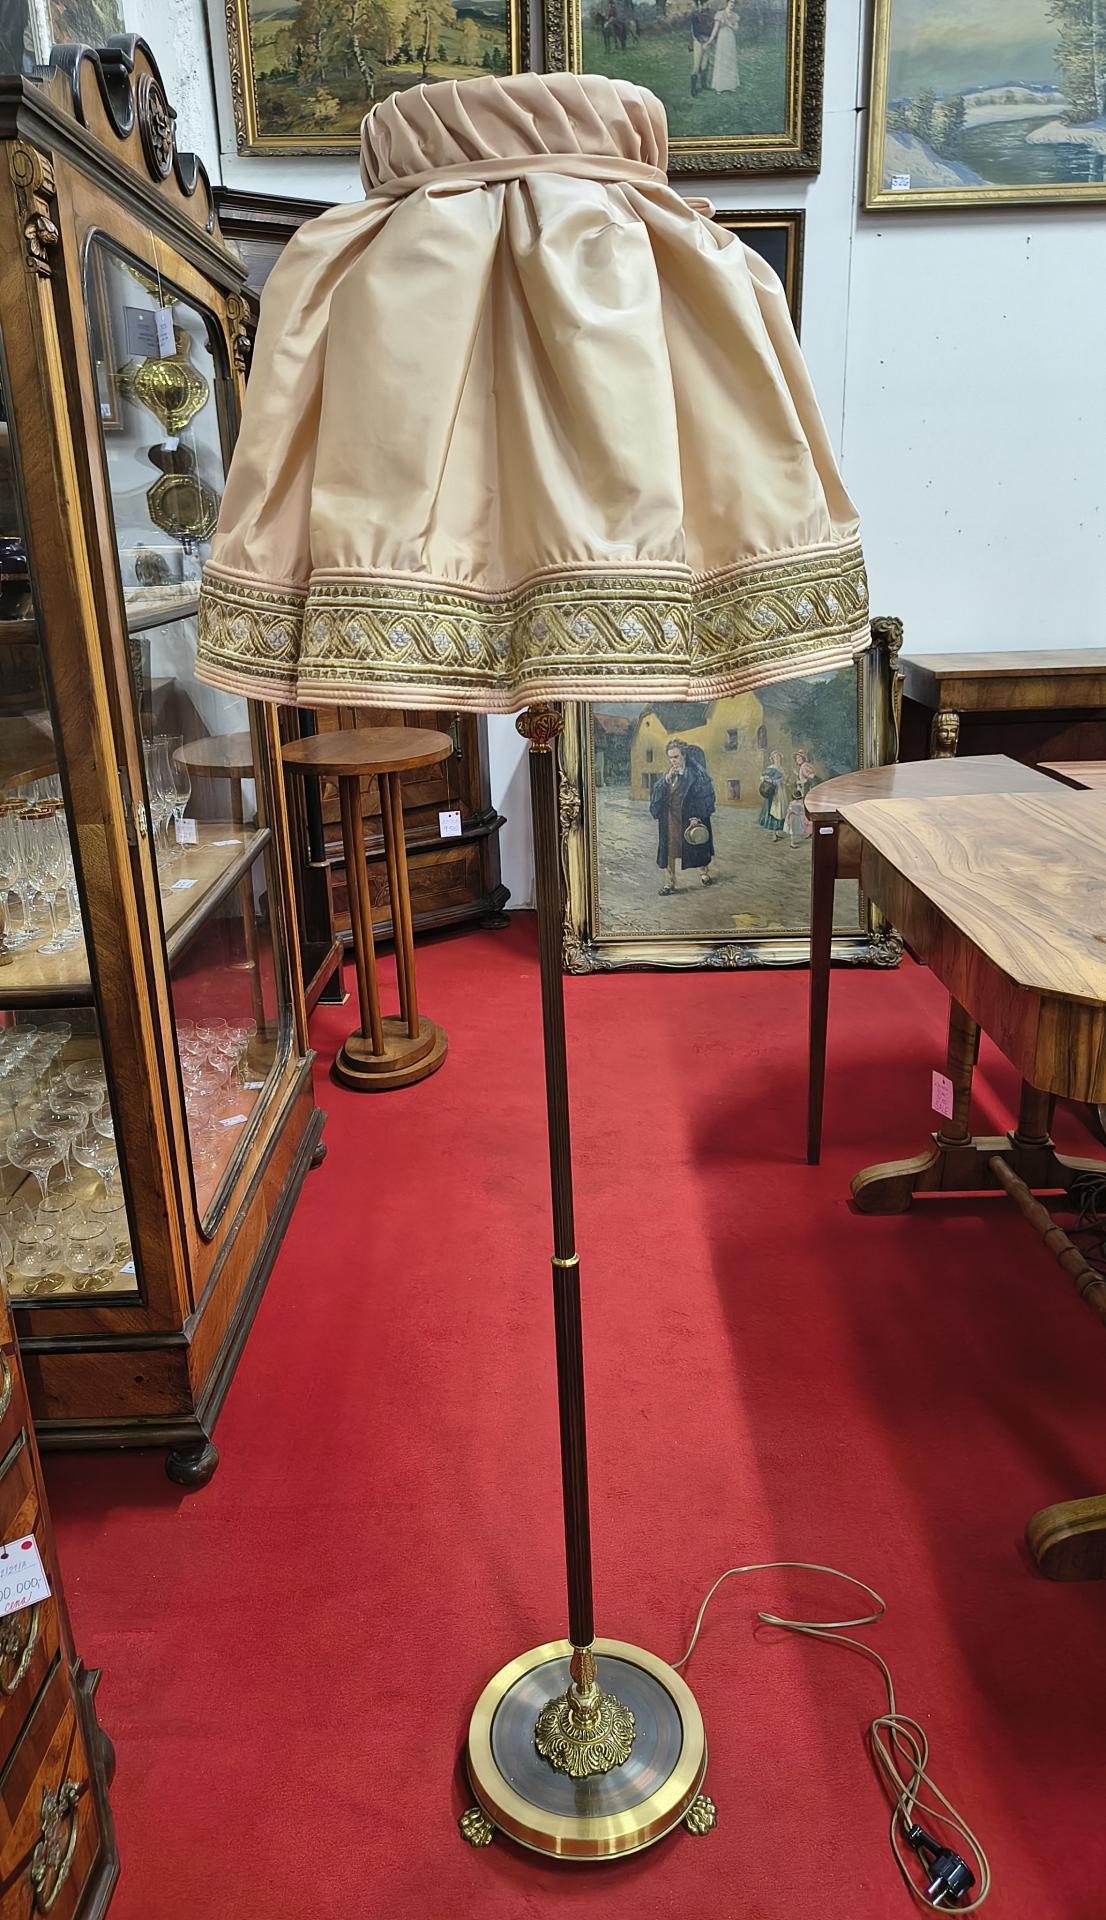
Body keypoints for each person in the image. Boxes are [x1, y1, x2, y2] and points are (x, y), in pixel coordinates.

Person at [649, 738, 716, 894]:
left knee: (696, 843)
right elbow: (657, 796)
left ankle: (704, 873)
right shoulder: (668, 776)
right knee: (669, 849)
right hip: (671, 818)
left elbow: (703, 797)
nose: (673, 761)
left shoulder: (696, 775)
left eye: (676, 757)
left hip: (690, 816)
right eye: (670, 758)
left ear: (684, 755)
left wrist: (696, 816)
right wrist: (666, 780)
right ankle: (669, 883)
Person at [708, 0, 739, 93]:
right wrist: (710, 40)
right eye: (731, 2)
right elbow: (715, 29)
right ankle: (720, 86)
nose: (732, 4)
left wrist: (730, 25)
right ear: (727, 3)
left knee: (730, 60)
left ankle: (731, 85)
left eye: (734, 3)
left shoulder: (734, 15)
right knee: (722, 60)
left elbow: (736, 28)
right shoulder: (720, 14)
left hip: (731, 38)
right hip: (722, 38)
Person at [757, 749, 787, 842]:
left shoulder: (781, 768)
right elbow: (763, 778)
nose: (777, 758)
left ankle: (777, 833)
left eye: (778, 756)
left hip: (781, 791)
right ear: (772, 759)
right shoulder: (771, 768)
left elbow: (784, 781)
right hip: (773, 792)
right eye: (775, 757)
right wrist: (771, 780)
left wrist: (786, 780)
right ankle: (774, 834)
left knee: (781, 810)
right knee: (774, 810)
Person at [689, 2, 715, 96]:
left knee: (705, 64)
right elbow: (694, 30)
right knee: (697, 65)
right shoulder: (695, 15)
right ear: (701, 4)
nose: (707, 5)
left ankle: (704, 84)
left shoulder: (711, 15)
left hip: (707, 40)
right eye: (705, 4)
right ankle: (693, 89)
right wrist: (700, 40)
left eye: (708, 3)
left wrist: (709, 40)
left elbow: (712, 28)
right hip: (698, 41)